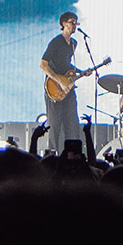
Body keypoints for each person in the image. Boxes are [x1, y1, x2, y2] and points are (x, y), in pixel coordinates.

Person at [39, 12, 84, 152]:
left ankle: (72, 154)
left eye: (76, 23)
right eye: (71, 22)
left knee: (72, 122)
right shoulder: (56, 42)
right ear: (63, 23)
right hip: (54, 87)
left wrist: (80, 72)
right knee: (54, 124)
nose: (74, 25)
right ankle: (52, 154)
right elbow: (43, 64)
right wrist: (60, 82)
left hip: (67, 88)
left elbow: (66, 64)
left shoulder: (73, 44)